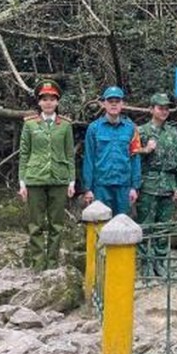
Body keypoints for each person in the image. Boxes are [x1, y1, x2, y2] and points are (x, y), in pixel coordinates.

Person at [18, 79, 76, 270]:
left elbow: (69, 153)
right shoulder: (30, 125)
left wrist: (71, 180)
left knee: (56, 225)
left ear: (57, 102)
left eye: (52, 99)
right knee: (35, 225)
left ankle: (52, 265)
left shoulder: (65, 125)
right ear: (39, 102)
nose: (48, 102)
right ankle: (37, 264)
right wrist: (22, 181)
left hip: (59, 179)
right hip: (34, 178)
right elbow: (24, 153)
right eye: (45, 99)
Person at [135, 92, 177, 276]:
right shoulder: (142, 131)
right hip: (149, 183)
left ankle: (160, 262)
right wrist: (146, 150)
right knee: (146, 225)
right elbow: (132, 155)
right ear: (151, 109)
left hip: (168, 184)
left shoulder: (172, 131)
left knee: (164, 226)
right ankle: (145, 263)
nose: (164, 111)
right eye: (160, 107)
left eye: (166, 108)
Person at [82, 86, 141, 216]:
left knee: (123, 225)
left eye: (117, 101)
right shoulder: (94, 128)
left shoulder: (131, 129)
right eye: (110, 101)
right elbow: (89, 159)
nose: (114, 104)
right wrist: (88, 189)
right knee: (101, 225)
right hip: (101, 186)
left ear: (122, 104)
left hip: (123, 186)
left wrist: (134, 187)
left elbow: (135, 158)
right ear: (104, 104)